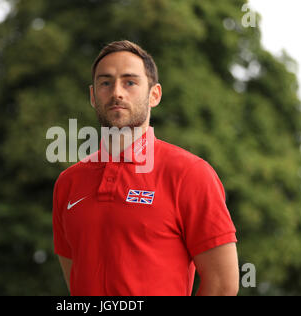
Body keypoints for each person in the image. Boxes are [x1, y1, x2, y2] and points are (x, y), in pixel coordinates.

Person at [52, 40, 239, 296]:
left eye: (130, 82)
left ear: (154, 95)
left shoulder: (190, 173)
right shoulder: (68, 183)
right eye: (105, 82)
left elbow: (223, 285)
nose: (117, 92)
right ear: (93, 97)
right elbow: (76, 283)